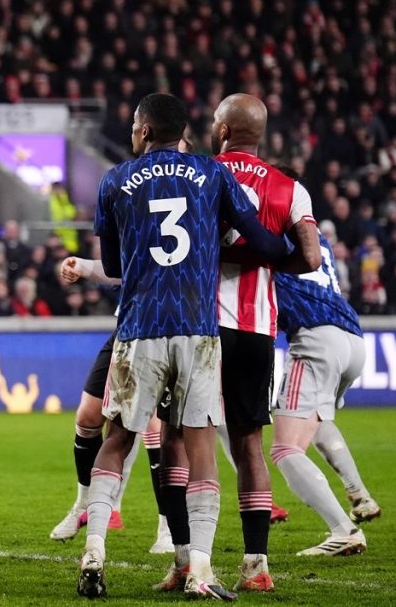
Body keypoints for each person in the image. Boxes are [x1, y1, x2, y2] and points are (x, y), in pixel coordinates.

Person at [77, 93, 291, 600]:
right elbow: (262, 240)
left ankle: (94, 553)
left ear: (146, 131)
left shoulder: (114, 180)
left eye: (135, 125)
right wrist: (294, 249)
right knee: (200, 447)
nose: (132, 133)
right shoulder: (212, 173)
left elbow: (114, 265)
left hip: (139, 328)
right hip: (197, 329)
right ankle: (200, 569)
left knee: (117, 439)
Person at [203, 94, 321, 592]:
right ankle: (256, 566)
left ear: (224, 130)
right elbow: (311, 258)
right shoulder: (289, 187)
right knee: (249, 441)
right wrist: (269, 261)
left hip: (201, 325)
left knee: (188, 439)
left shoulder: (202, 174)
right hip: (256, 328)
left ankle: (190, 560)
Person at [270, 187, 379, 556]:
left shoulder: (273, 233)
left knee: (285, 447)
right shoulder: (317, 236)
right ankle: (359, 494)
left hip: (316, 336)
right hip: (352, 336)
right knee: (315, 418)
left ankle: (343, 530)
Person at [48, 256, 171, 554]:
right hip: (127, 325)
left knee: (155, 427)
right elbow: (124, 266)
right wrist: (84, 267)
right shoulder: (132, 229)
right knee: (88, 416)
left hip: (168, 327)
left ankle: (168, 529)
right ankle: (83, 504)